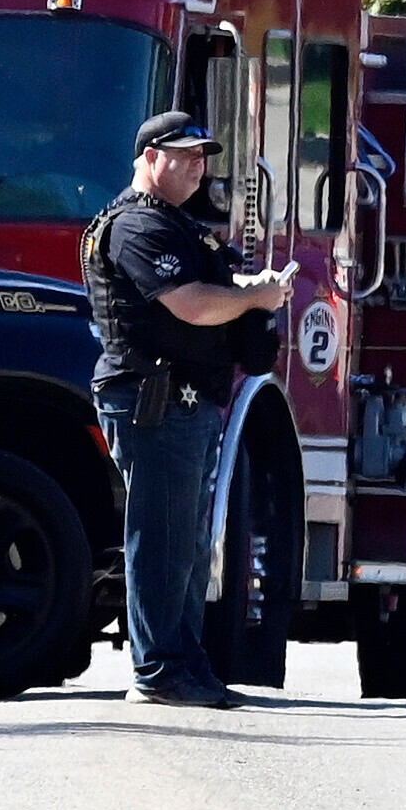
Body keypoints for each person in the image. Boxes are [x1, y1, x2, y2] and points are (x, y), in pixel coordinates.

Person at [83, 113, 290, 709]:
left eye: (204, 156)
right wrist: (254, 296)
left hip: (188, 400)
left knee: (190, 545)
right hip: (155, 400)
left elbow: (210, 292)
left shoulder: (176, 226)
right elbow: (190, 305)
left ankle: (185, 664)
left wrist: (255, 288)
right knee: (163, 538)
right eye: (185, 155)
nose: (199, 165)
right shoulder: (135, 226)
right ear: (150, 157)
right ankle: (158, 671)